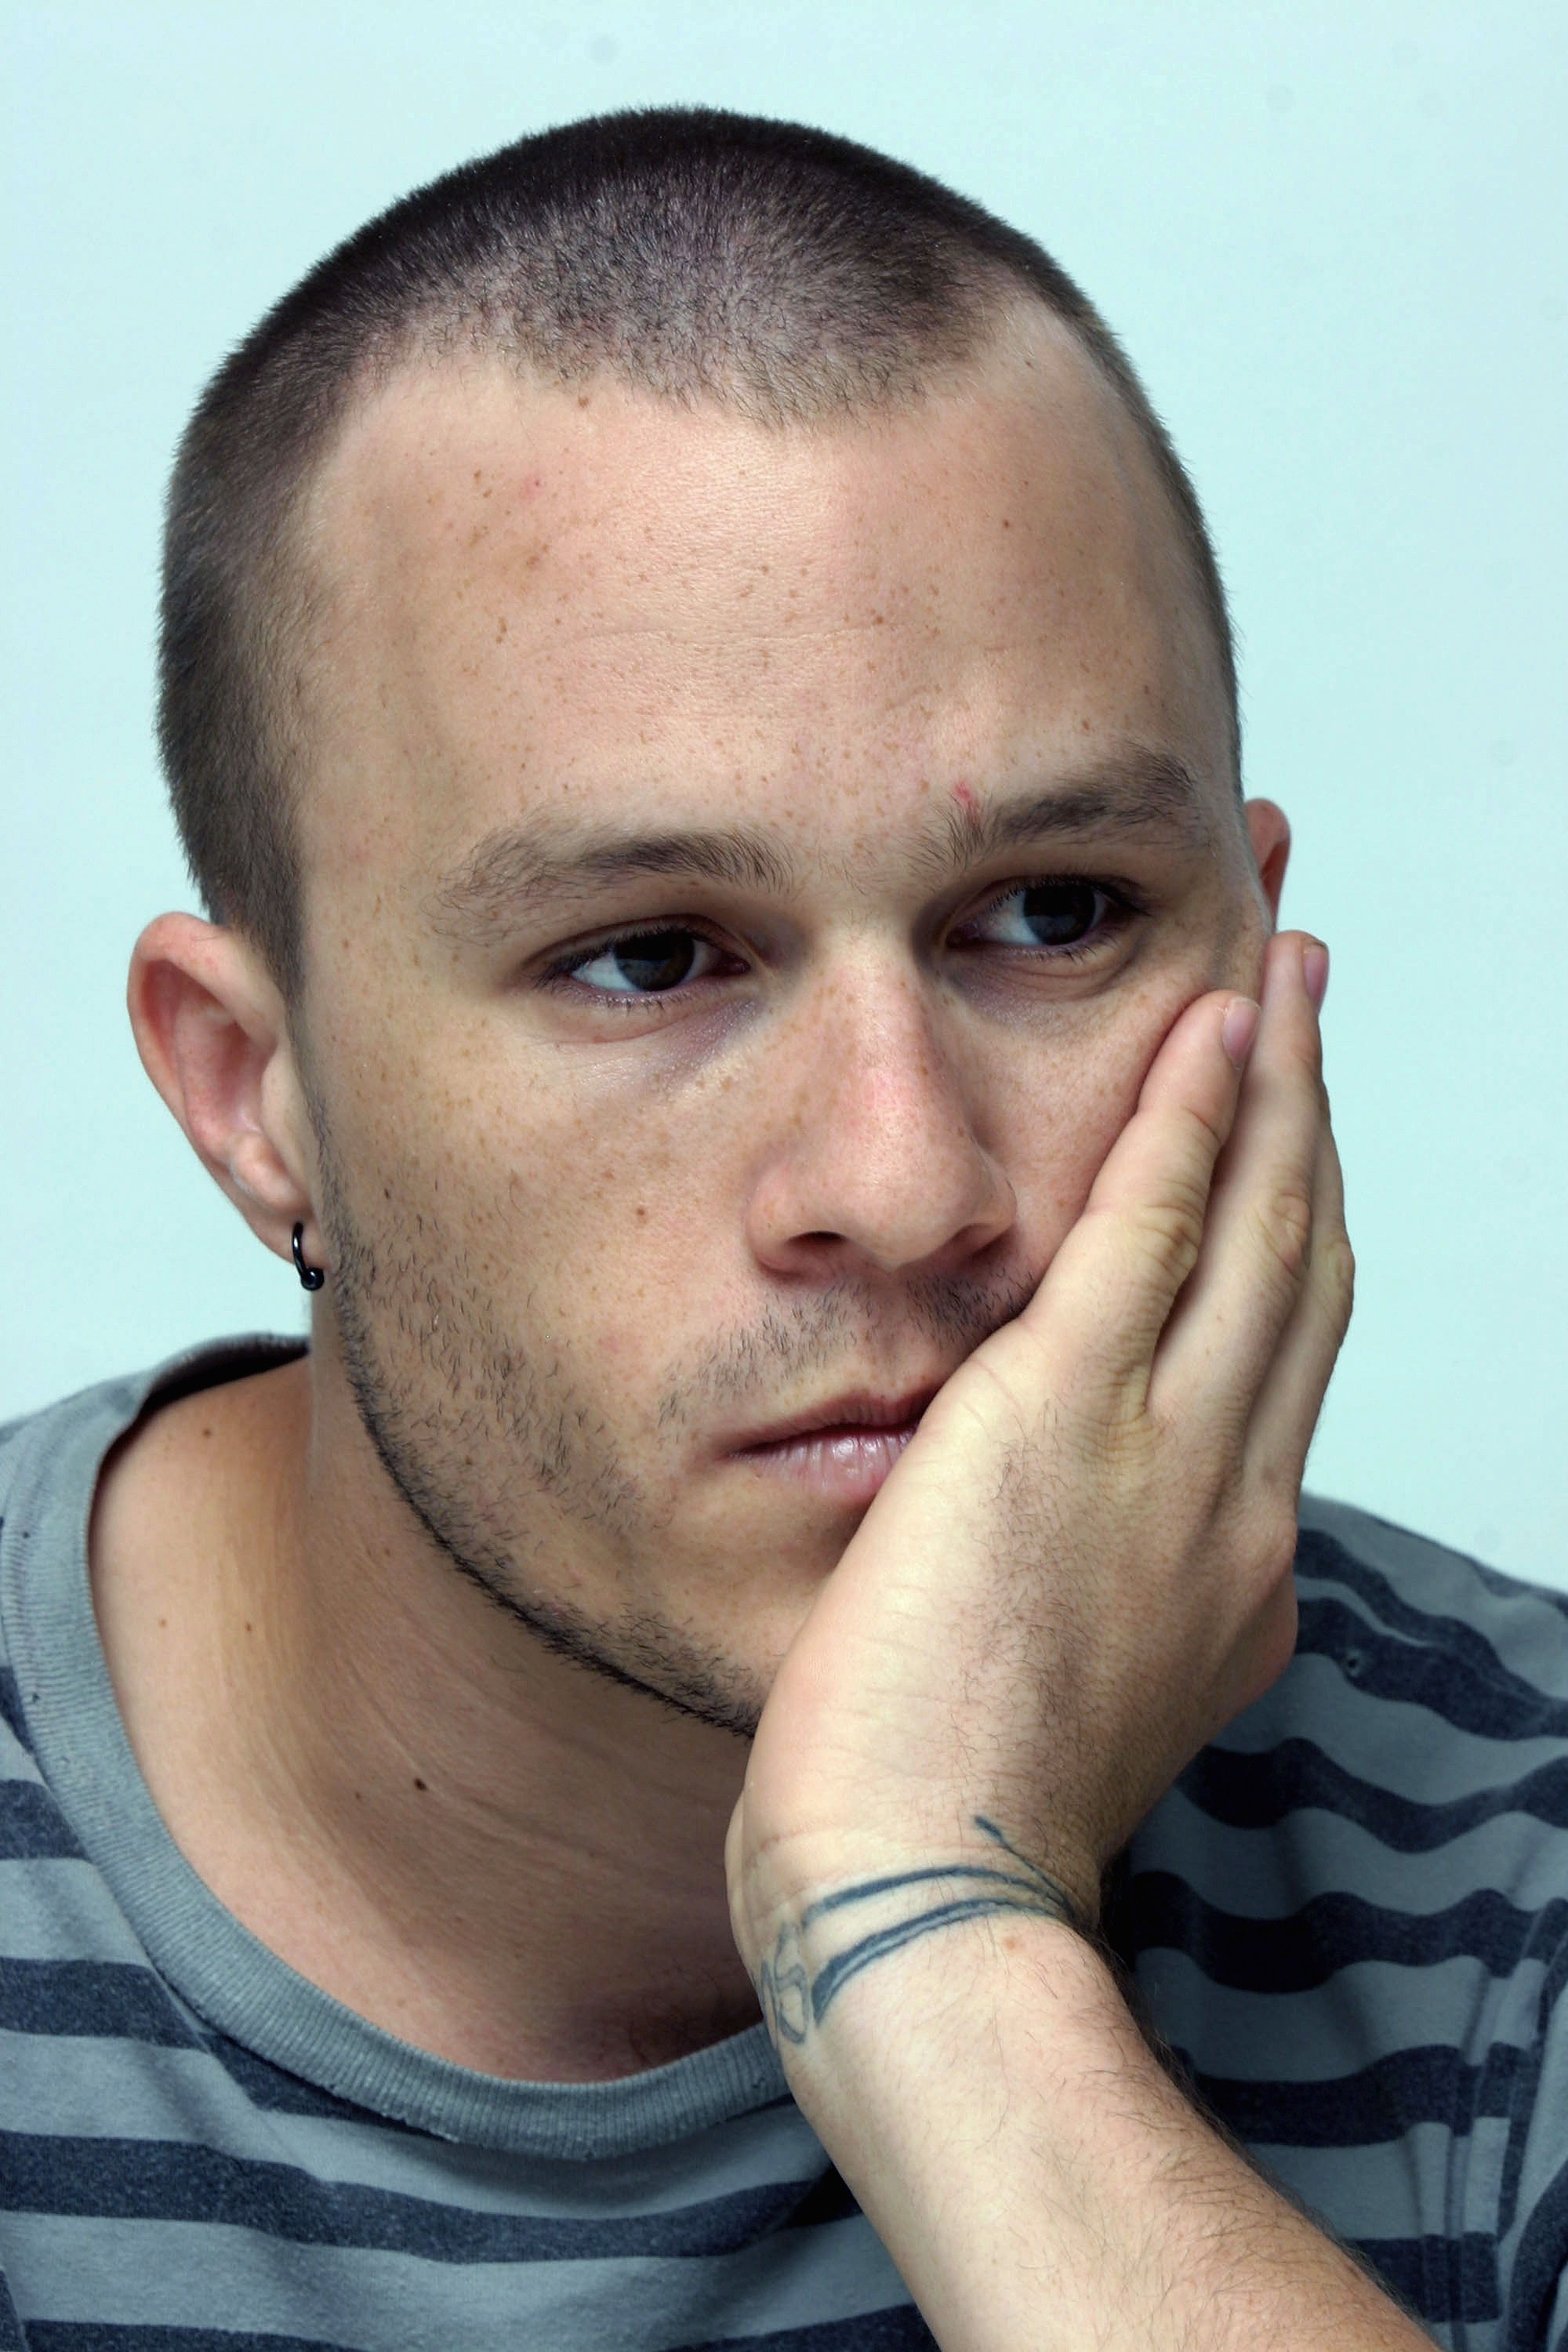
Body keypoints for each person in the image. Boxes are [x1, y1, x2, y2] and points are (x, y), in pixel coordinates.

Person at [0, 107, 1560, 2350]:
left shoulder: (1520, 1871)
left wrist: (932, 1941)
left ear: (1257, 943)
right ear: (259, 1100)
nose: (906, 1182)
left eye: (1055, 916)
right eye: (649, 957)